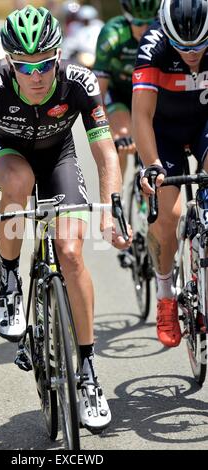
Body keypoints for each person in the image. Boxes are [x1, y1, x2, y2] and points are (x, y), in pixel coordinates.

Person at [0, 5, 132, 433]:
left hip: (60, 155)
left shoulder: (80, 83)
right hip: (10, 157)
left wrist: (113, 211)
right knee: (18, 181)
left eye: (45, 63)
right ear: (9, 62)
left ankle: (89, 370)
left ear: (58, 55)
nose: (36, 75)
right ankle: (9, 280)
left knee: (72, 254)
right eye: (24, 66)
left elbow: (104, 152)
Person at [132, 0, 208, 348]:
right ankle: (165, 294)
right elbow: (141, 118)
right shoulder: (153, 46)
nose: (192, 55)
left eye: (200, 46)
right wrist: (152, 164)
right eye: (183, 47)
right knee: (168, 215)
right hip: (163, 131)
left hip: (203, 124)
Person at [94, 0, 161, 177]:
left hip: (150, 93)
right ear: (127, 18)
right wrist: (109, 132)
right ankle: (118, 195)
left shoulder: (163, 32)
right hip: (119, 94)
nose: (145, 28)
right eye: (138, 23)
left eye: (150, 22)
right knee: (123, 139)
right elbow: (98, 93)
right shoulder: (113, 34)